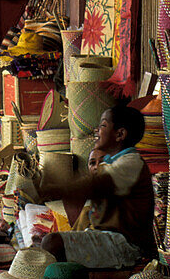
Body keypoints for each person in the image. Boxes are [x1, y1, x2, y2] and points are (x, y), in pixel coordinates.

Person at [39, 103, 155, 270]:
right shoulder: (114, 162)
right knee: (56, 242)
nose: (97, 131)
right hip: (114, 240)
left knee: (52, 243)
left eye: (103, 125)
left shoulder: (130, 163)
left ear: (120, 134)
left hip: (128, 246)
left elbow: (94, 186)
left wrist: (53, 189)